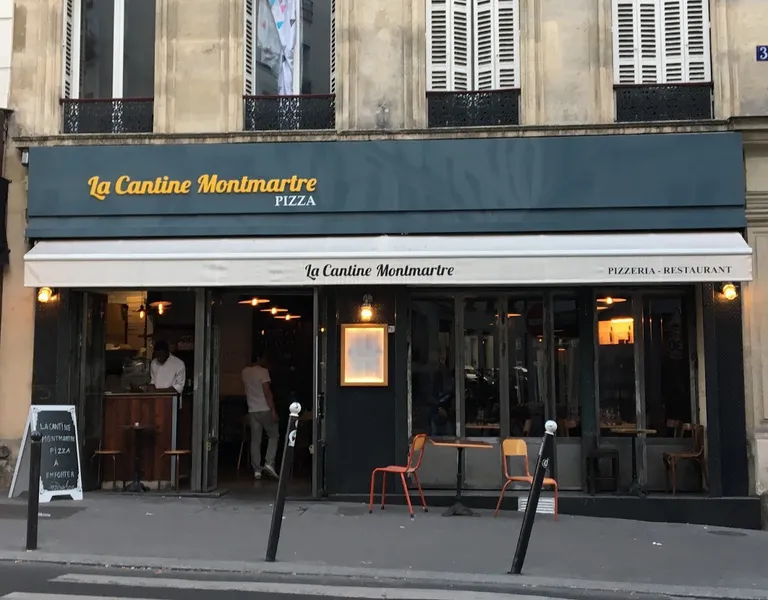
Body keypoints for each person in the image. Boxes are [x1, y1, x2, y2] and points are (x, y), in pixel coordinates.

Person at [242, 352, 279, 480]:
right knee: (273, 435)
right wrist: (273, 409)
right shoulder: (263, 372)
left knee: (255, 440)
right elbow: (267, 392)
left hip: (252, 409)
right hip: (264, 408)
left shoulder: (245, 372)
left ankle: (256, 470)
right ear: (260, 358)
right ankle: (269, 462)